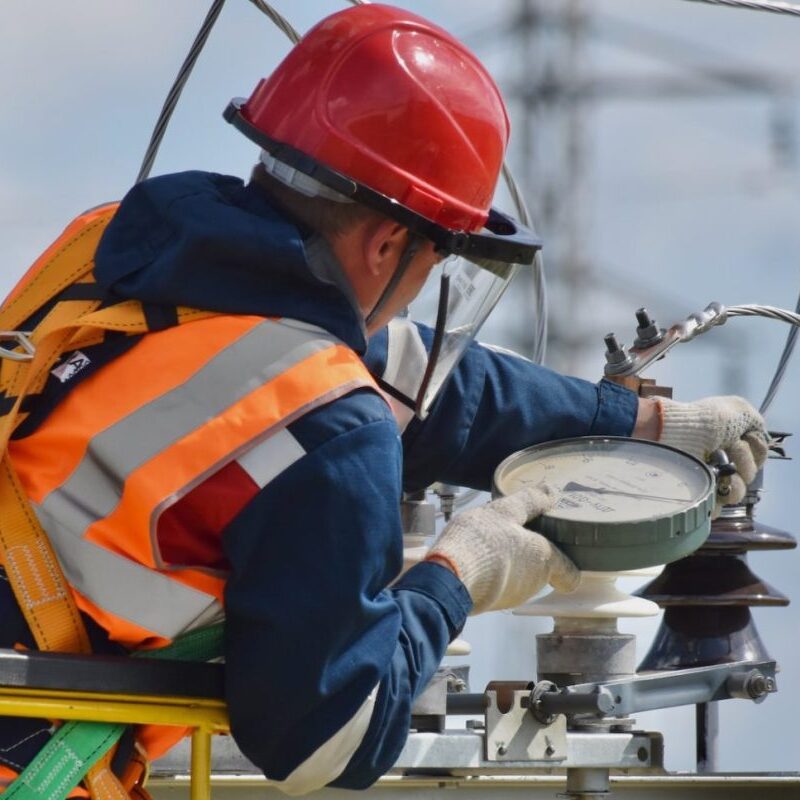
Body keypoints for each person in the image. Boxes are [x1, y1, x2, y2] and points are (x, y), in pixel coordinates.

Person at [0, 3, 768, 796]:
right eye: (437, 262)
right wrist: (459, 576)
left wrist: (643, 425)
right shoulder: (323, 417)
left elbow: (431, 386)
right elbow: (331, 742)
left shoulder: (119, 256)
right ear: (388, 245)